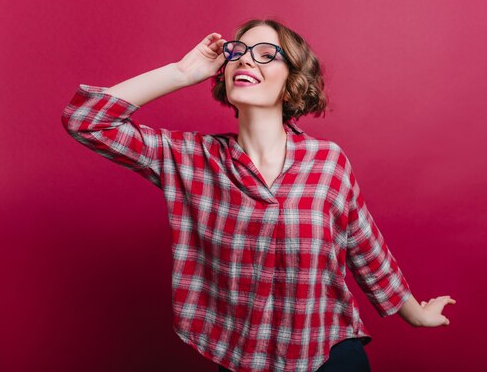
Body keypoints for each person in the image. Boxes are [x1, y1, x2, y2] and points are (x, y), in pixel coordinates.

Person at [61, 19, 456, 372]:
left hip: (330, 356)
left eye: (267, 54)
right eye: (238, 52)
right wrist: (182, 73)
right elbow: (87, 120)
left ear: (293, 79)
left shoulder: (328, 162)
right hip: (240, 360)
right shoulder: (192, 159)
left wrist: (415, 314)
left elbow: (364, 246)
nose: (246, 60)